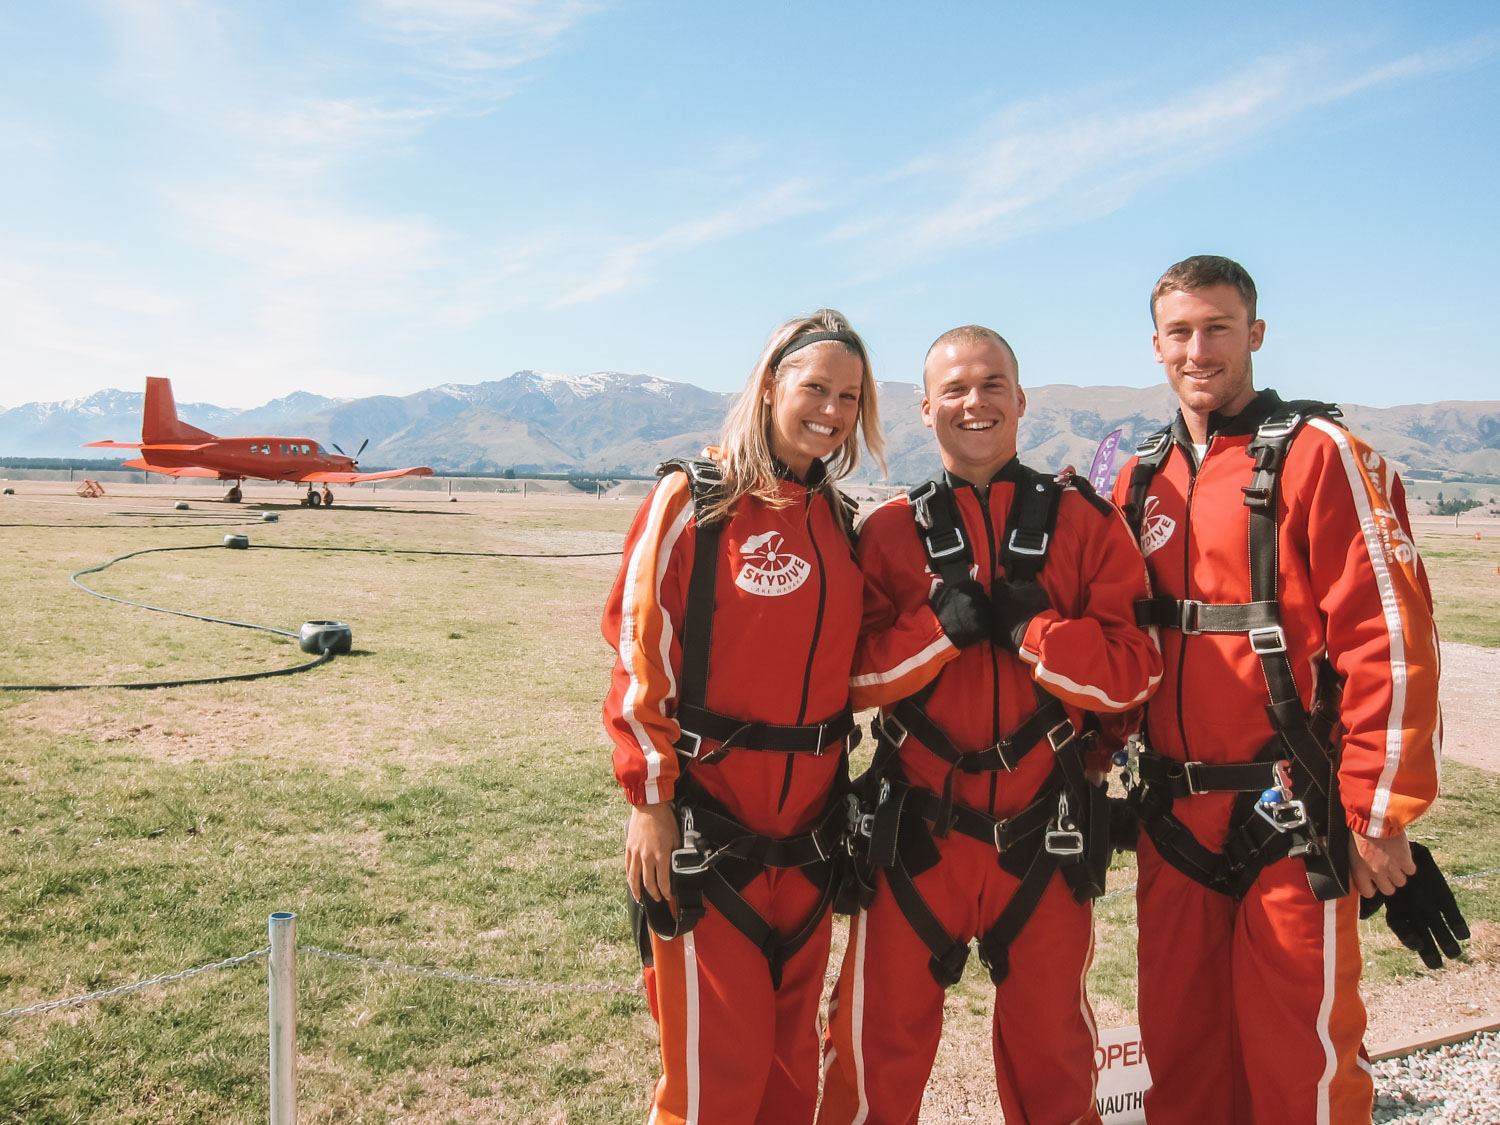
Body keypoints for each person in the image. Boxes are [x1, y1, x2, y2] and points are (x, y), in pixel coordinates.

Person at [1111, 255, 1461, 1124]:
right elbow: (1119, 642)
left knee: (1300, 1068)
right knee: (1182, 1063)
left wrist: (1381, 818)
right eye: (1181, 332)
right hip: (1172, 818)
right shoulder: (1138, 477)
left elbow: (1390, 638)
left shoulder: (1322, 456)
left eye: (1219, 328)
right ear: (1156, 346)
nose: (1199, 349)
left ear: (1255, 335)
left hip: (1292, 815)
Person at [818, 326, 1162, 1125]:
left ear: (1020, 399)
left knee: (1056, 1061)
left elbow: (1137, 671)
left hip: (1045, 837)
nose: (976, 402)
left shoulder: (1087, 523)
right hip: (915, 839)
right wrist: (935, 633)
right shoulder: (889, 531)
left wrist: (1036, 632)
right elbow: (846, 681)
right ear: (926, 406)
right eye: (957, 389)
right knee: (869, 1055)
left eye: (993, 385)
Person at [601, 310, 884, 1125]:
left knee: (790, 1072)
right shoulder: (693, 499)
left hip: (810, 844)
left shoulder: (839, 519)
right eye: (814, 387)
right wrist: (649, 803)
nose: (830, 409)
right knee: (711, 1083)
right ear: (769, 386)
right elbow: (637, 648)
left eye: (848, 396)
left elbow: (857, 664)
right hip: (706, 838)